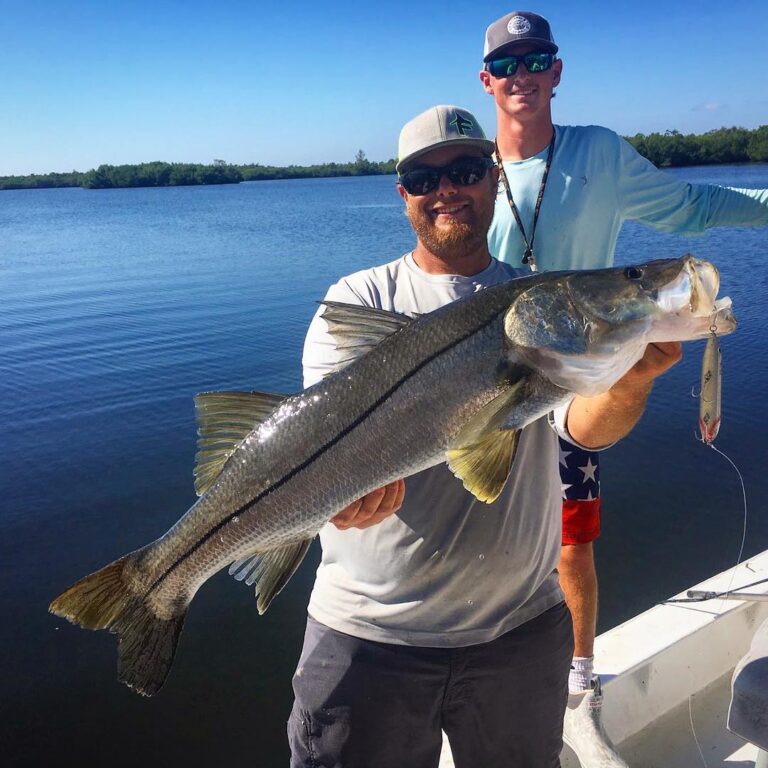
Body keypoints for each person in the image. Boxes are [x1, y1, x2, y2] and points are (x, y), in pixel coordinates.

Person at [288, 104, 682, 768]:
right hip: (369, 636)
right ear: (403, 194)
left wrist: (631, 381)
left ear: (494, 179)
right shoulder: (355, 302)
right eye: (424, 178)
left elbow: (582, 430)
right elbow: (321, 448)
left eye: (467, 170)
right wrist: (338, 500)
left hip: (520, 635)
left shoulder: (543, 306)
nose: (447, 189)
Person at [479, 10, 768, 767]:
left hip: (579, 374)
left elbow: (696, 209)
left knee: (570, 542)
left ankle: (579, 687)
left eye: (535, 59)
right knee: (480, 529)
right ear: (487, 81)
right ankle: (484, 672)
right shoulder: (467, 174)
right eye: (507, 66)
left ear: (556, 71)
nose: (522, 76)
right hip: (492, 383)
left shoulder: (597, 155)